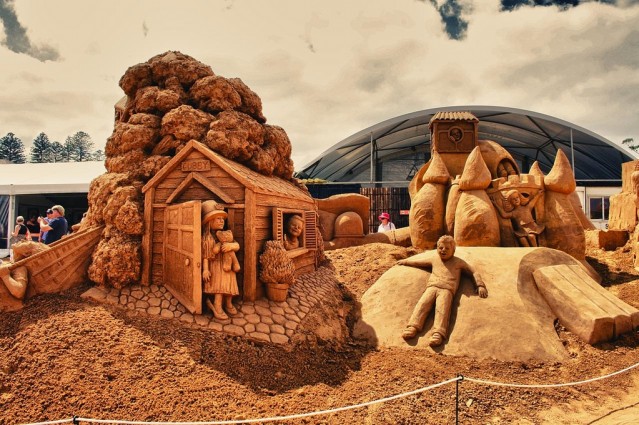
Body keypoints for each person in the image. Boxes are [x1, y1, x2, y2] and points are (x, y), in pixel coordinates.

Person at [398, 235, 488, 347]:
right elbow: (419, 262)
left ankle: (438, 333)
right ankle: (413, 326)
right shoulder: (434, 259)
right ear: (437, 248)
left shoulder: (458, 262)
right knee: (422, 304)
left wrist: (480, 285)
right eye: (440, 248)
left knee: (442, 309)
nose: (443, 250)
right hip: (432, 287)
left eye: (447, 248)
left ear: (453, 250)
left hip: (447, 289)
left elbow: (473, 271)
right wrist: (406, 261)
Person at [201, 202, 240, 320]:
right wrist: (205, 269)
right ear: (209, 221)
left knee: (230, 283)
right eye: (218, 218)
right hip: (215, 265)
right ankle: (217, 306)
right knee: (220, 285)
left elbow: (236, 245)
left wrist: (231, 246)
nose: (222, 221)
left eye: (222, 219)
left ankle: (228, 303)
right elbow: (206, 256)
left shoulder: (225, 234)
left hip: (227, 264)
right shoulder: (207, 238)